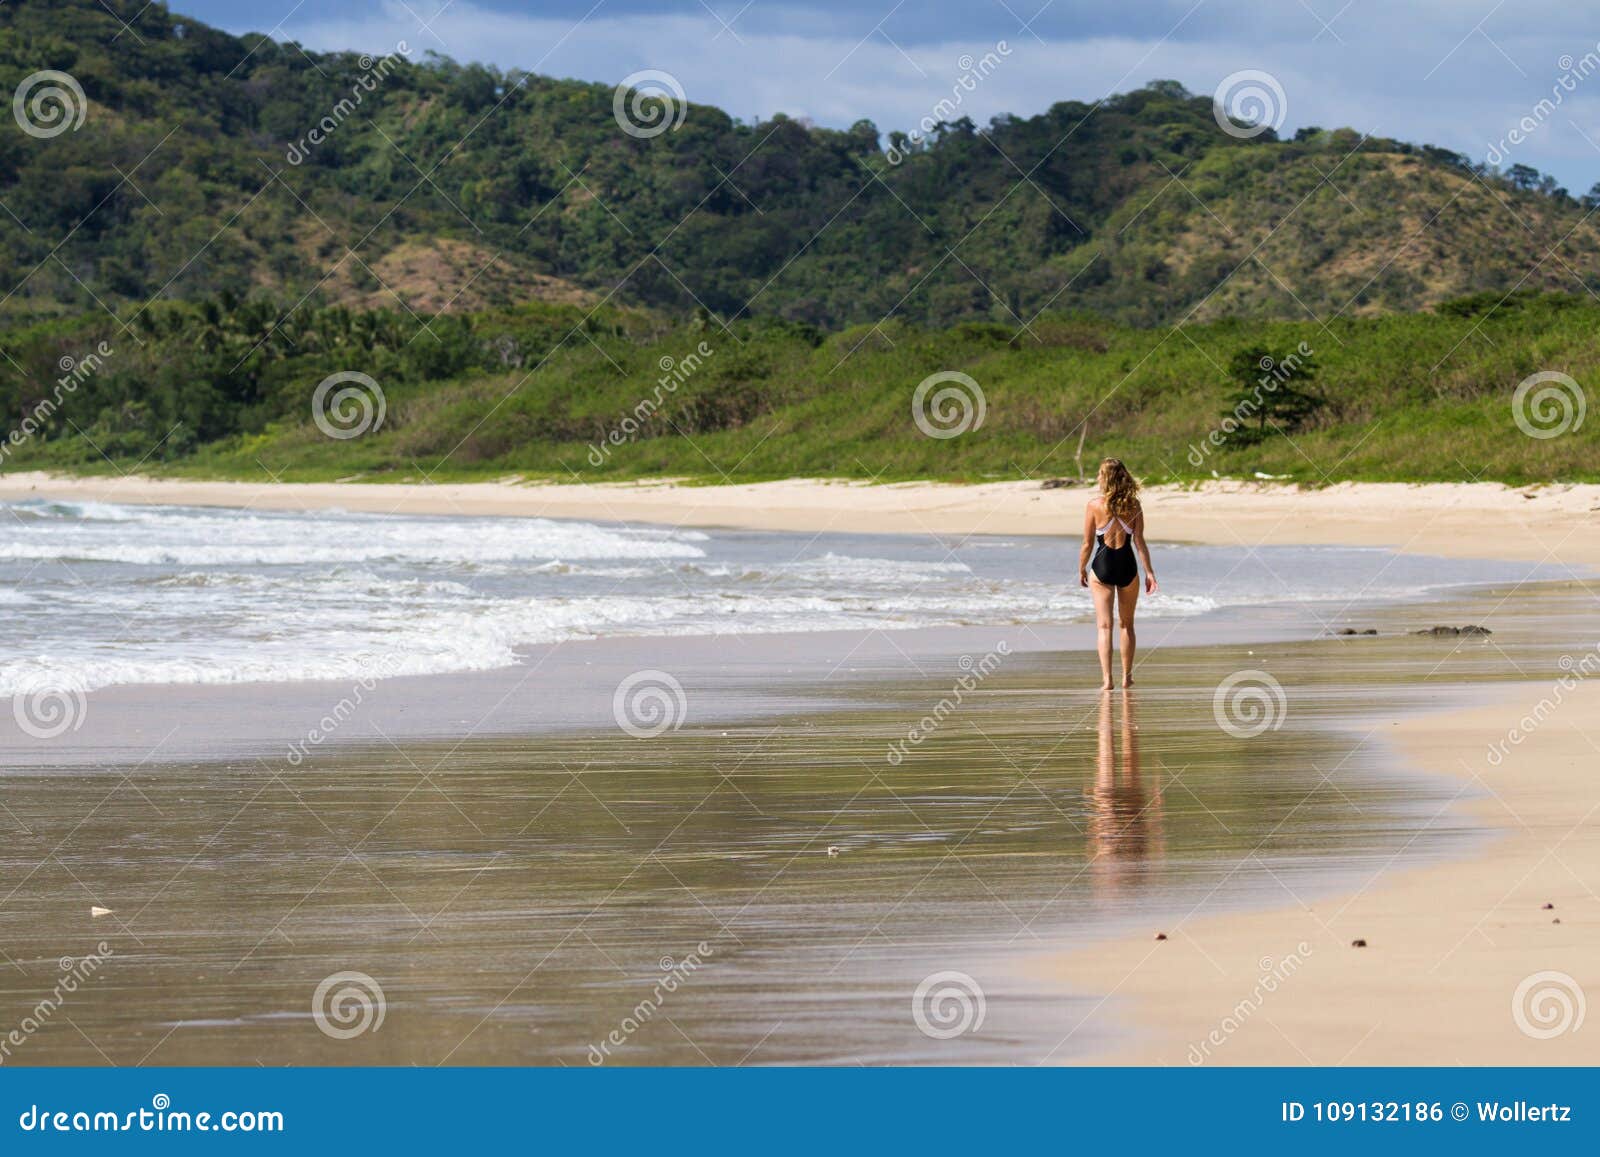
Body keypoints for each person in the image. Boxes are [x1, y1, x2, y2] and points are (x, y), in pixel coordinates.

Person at [1078, 458, 1158, 691]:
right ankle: (1126, 677)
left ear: (1105, 478)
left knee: (1104, 627)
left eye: (1099, 474)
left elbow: (1087, 543)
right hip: (1128, 567)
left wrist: (1082, 568)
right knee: (1127, 625)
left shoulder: (1094, 505)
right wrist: (1149, 572)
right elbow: (1140, 542)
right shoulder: (1134, 505)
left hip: (1102, 568)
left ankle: (1107, 680)